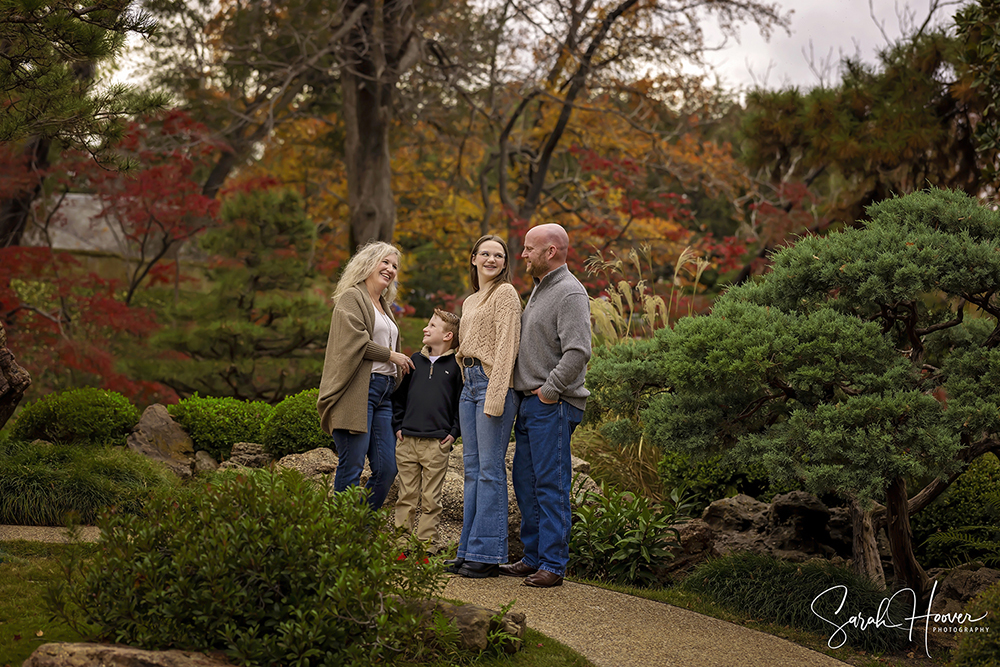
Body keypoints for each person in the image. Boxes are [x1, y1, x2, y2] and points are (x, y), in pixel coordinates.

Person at [502, 223, 591, 588]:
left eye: (528, 249)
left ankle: (553, 565)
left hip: (551, 405)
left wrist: (550, 391)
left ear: (550, 251)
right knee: (525, 482)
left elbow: (578, 352)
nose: (522, 255)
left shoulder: (570, 293)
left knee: (550, 485)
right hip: (530, 405)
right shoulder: (540, 290)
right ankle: (534, 556)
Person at [317, 241, 415, 510]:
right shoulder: (352, 297)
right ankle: (341, 534)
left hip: (383, 395)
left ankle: (359, 523)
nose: (390, 269)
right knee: (352, 466)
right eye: (385, 262)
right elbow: (354, 341)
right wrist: (391, 355)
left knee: (387, 469)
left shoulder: (383, 305)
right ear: (368, 263)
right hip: (357, 393)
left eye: (394, 266)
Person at [449, 234, 521, 578]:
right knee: (472, 472)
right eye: (486, 253)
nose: (492, 259)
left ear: (505, 263)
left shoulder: (505, 294)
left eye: (499, 255)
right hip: (469, 385)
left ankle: (488, 555)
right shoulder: (470, 300)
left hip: (493, 385)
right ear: (473, 258)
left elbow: (508, 347)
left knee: (491, 471)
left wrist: (496, 394)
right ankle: (467, 550)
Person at [391, 308, 463, 554]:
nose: (426, 328)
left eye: (432, 326)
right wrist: (398, 426)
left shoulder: (456, 367)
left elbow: (460, 404)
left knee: (432, 500)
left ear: (447, 336)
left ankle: (425, 551)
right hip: (407, 440)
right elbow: (399, 398)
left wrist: (453, 432)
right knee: (406, 497)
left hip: (437, 444)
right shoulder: (414, 361)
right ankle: (400, 548)